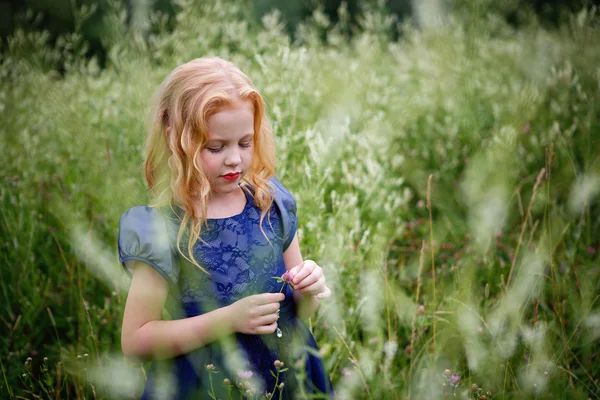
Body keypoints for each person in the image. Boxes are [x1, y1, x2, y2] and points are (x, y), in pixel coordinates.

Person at [118, 57, 333, 400]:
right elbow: (135, 340)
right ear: (178, 142)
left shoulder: (270, 203)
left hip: (285, 379)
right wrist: (226, 320)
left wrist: (309, 288)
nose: (234, 159)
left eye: (245, 143)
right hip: (204, 385)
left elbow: (301, 310)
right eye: (216, 147)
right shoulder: (159, 227)